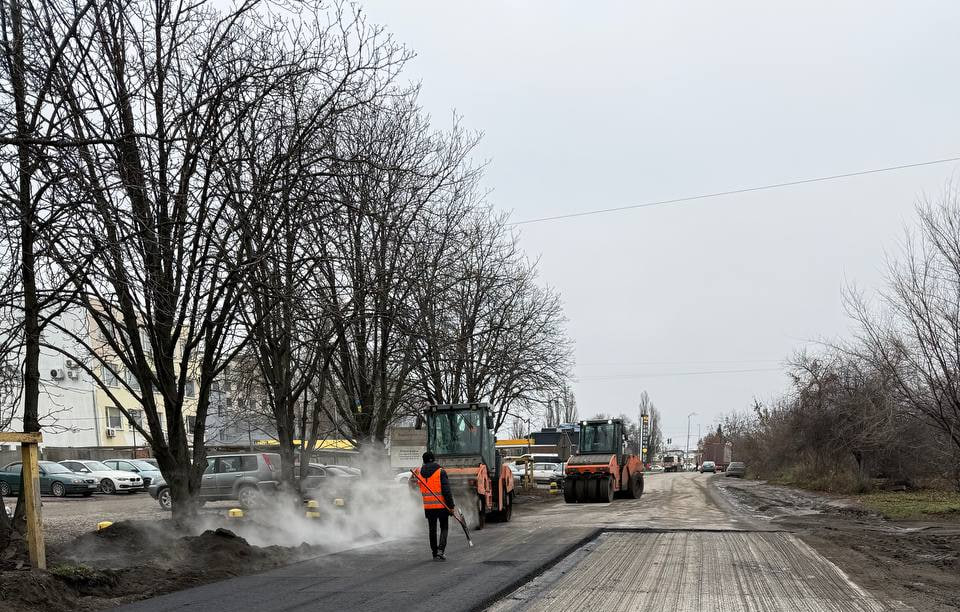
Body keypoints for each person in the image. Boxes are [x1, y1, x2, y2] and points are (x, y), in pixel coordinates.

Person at [412, 451, 455, 561]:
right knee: (444, 527)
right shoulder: (440, 471)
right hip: (442, 506)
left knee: (432, 530)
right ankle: (441, 550)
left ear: (424, 460)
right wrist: (451, 506)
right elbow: (446, 491)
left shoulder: (419, 473)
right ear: (433, 459)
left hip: (429, 508)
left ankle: (434, 552)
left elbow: (417, 489)